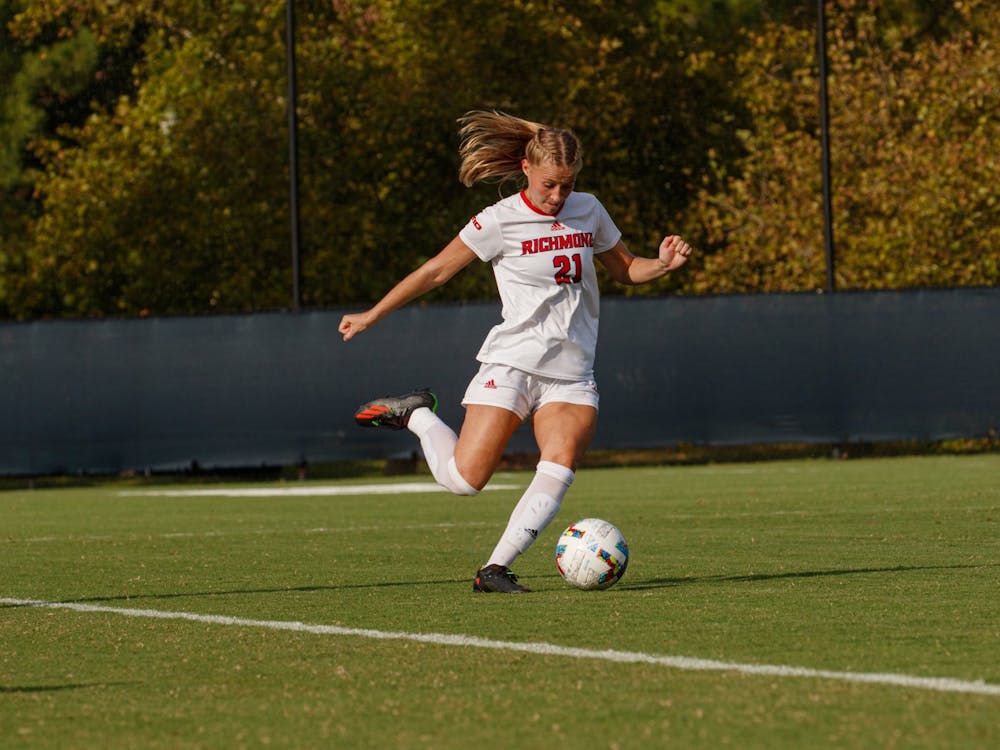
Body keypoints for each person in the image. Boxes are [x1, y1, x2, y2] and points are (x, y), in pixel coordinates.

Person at [339, 110, 692, 593]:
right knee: (465, 481)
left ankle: (494, 569)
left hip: (571, 373)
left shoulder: (589, 209)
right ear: (526, 168)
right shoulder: (498, 221)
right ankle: (417, 415)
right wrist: (371, 314)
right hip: (512, 363)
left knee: (561, 459)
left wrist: (663, 265)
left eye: (566, 186)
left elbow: (626, 268)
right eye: (550, 185)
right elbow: (435, 272)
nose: (557, 196)